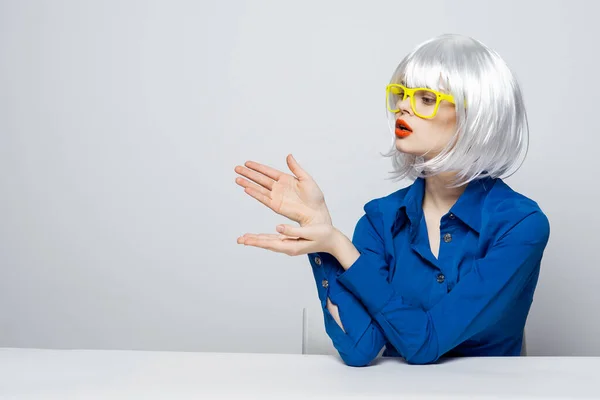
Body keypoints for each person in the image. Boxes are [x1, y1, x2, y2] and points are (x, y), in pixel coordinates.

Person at [233, 34, 550, 366]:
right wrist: (322, 239)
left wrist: (343, 249)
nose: (403, 105)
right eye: (402, 94)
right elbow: (361, 348)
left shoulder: (521, 225)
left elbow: (425, 343)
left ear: (477, 117)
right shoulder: (380, 220)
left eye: (425, 98)